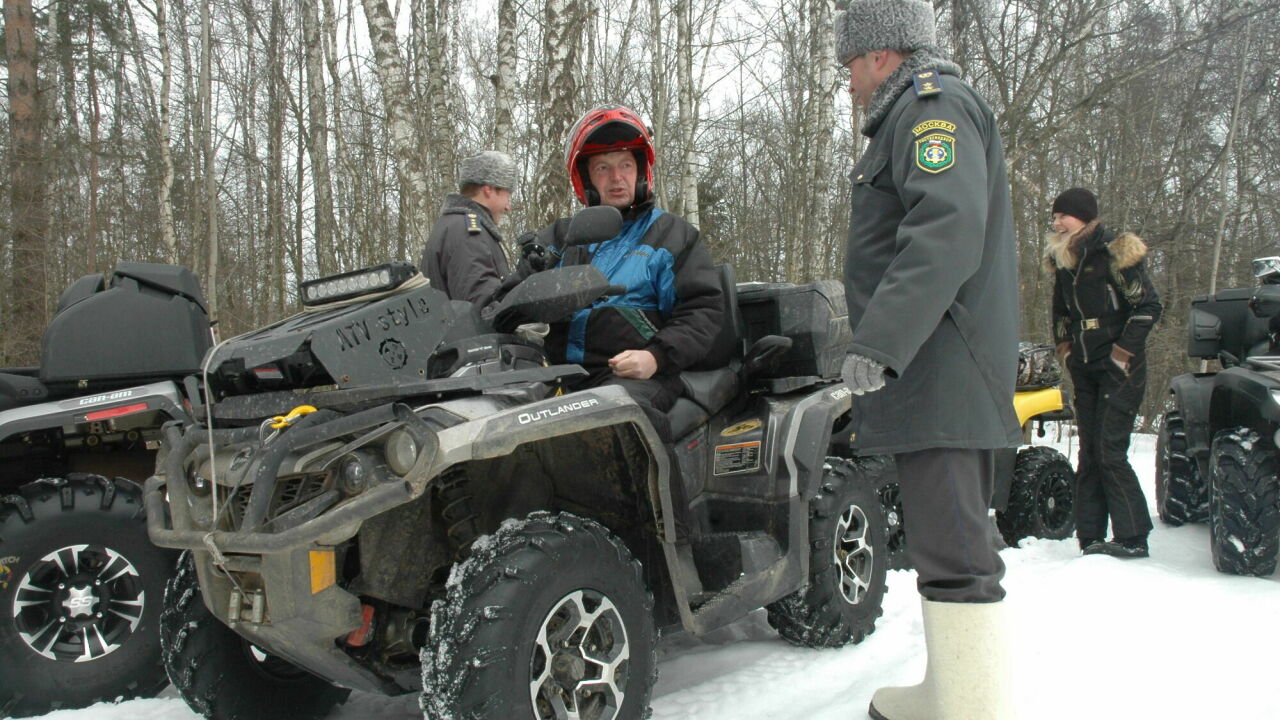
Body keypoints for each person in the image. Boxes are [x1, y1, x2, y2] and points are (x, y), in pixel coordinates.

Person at [833, 2, 1020, 718]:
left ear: (882, 53)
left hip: (940, 365)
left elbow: (946, 227)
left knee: (958, 547)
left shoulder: (930, 108)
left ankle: (970, 707)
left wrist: (879, 341)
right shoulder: (913, 113)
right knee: (945, 539)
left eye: (851, 63)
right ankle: (954, 693)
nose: (848, 80)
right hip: (932, 366)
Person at [528, 104, 723, 534]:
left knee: (619, 413)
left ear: (641, 172)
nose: (616, 178)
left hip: (641, 375)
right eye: (602, 168)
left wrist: (655, 356)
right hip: (565, 374)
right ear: (586, 179)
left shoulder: (671, 235)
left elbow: (704, 310)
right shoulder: (562, 239)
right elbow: (509, 298)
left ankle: (670, 545)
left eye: (625, 165)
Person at [1047, 187, 1161, 560]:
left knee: (1110, 451)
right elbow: (1061, 313)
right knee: (1089, 452)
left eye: (1063, 215)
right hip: (1084, 364)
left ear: (1083, 217)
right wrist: (1066, 350)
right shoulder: (1065, 260)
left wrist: (1122, 353)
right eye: (1055, 216)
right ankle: (1091, 537)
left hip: (1120, 367)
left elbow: (1147, 306)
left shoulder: (1112, 252)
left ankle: (1133, 537)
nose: (1056, 222)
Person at [420, 150, 518, 308]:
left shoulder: (454, 225)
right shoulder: (468, 234)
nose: (508, 207)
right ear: (489, 190)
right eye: (507, 195)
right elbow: (482, 307)